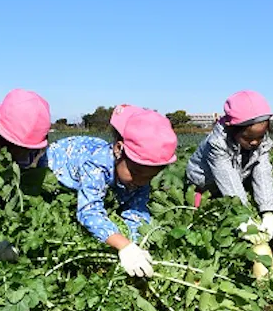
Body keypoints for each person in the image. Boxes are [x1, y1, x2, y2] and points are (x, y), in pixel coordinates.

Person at [40, 105, 177, 278]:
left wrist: (137, 244)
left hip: (99, 170)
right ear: (118, 150)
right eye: (135, 173)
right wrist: (123, 245)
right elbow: (89, 211)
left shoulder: (138, 172)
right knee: (59, 204)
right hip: (58, 169)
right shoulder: (96, 165)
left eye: (149, 177)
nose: (141, 182)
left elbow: (136, 210)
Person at [186, 90, 273, 239]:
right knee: (209, 198)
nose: (254, 142)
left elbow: (263, 173)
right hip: (204, 178)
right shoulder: (217, 143)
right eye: (248, 138)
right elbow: (227, 178)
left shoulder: (261, 142)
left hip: (237, 171)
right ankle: (200, 197)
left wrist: (267, 212)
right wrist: (244, 216)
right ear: (232, 129)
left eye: (259, 136)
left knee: (254, 180)